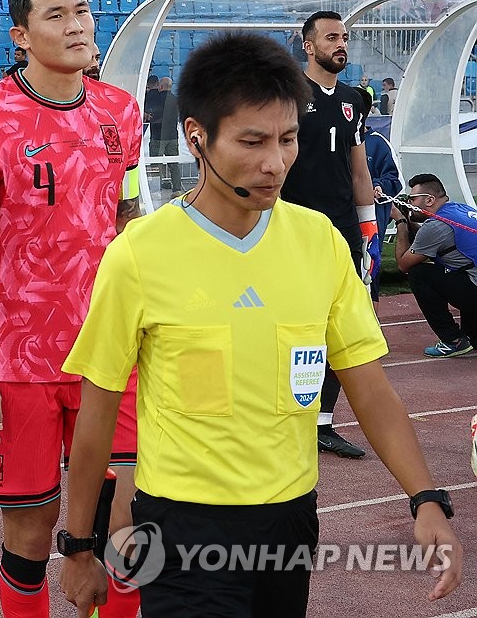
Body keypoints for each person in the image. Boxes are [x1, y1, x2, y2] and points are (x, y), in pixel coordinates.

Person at [57, 33, 463, 616]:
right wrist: (78, 546)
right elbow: (96, 408)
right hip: (181, 528)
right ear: (198, 137)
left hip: (291, 521)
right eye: (252, 141)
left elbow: (370, 388)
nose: (275, 162)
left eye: (288, 138)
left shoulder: (318, 241)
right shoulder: (139, 254)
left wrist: (425, 499)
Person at [0, 0, 144, 618]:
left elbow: (129, 221)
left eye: (82, 10)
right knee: (31, 534)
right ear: (20, 35)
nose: (77, 24)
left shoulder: (121, 111)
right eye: (56, 14)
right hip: (22, 364)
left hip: (111, 356)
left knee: (131, 525)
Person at [282, 11, 377, 460]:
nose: (341, 44)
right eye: (332, 37)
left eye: (345, 37)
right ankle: (281, 418)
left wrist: (369, 227)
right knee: (291, 321)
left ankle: (323, 422)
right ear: (308, 44)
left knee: (340, 322)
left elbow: (359, 167)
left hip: (341, 227)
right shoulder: (286, 94)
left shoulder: (355, 99)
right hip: (294, 226)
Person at [392, 174, 477, 358]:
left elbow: (403, 264)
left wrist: (400, 223)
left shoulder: (436, 226)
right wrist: (410, 219)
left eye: (412, 199)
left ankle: (452, 340)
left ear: (429, 200)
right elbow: (427, 239)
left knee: (418, 273)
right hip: (471, 278)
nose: (409, 202)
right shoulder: (459, 209)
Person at [364, 125, 401, 310]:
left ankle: (373, 331)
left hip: (370, 222)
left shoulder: (377, 141)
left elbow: (395, 180)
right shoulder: (335, 137)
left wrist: (379, 186)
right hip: (339, 217)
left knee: (369, 275)